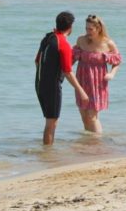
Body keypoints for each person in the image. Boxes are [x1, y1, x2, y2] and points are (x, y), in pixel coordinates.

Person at [35, 11, 88, 145]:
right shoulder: (63, 44)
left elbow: (37, 61)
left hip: (39, 83)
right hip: (52, 87)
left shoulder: (47, 38)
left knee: (50, 121)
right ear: (70, 27)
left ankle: (47, 152)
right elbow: (68, 71)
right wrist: (81, 91)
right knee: (51, 123)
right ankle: (48, 155)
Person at [73, 14, 121, 133]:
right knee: (84, 115)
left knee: (92, 116)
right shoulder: (81, 40)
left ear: (98, 28)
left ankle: (97, 143)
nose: (87, 31)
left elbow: (117, 61)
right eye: (86, 28)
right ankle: (89, 143)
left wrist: (112, 74)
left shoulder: (108, 43)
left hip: (97, 82)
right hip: (82, 80)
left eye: (90, 29)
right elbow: (71, 59)